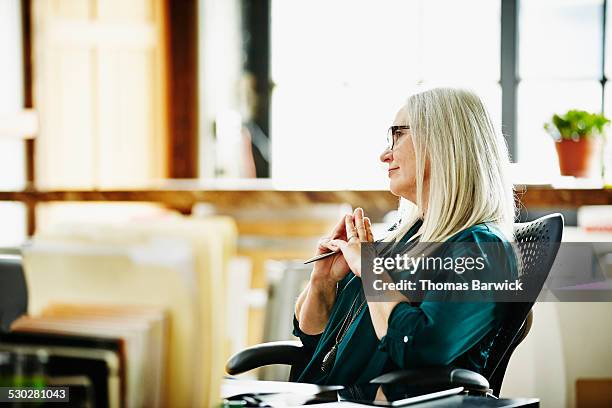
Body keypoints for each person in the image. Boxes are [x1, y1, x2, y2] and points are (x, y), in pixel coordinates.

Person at [292, 87, 518, 385]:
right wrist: (323, 281)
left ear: (444, 143)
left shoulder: (483, 249)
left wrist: (371, 270)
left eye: (398, 134)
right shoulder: (405, 240)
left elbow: (418, 348)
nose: (385, 154)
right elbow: (316, 343)